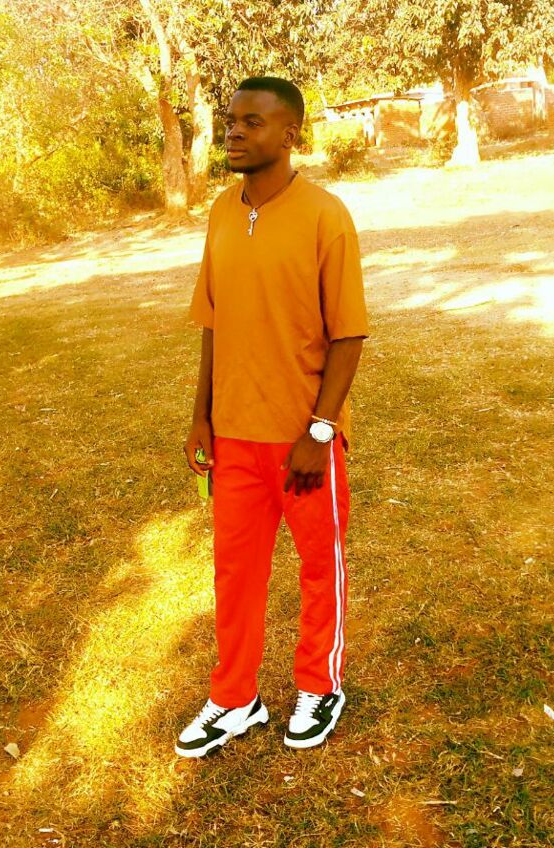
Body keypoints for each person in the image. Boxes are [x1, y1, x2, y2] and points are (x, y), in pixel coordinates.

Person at [177, 77, 368, 758]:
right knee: (234, 573)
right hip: (233, 436)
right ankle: (236, 698)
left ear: (290, 135)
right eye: (231, 120)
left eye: (251, 122)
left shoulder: (325, 215)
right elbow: (214, 322)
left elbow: (348, 333)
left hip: (301, 439)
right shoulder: (221, 212)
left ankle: (320, 686)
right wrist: (201, 416)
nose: (233, 131)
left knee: (319, 566)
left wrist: (320, 430)